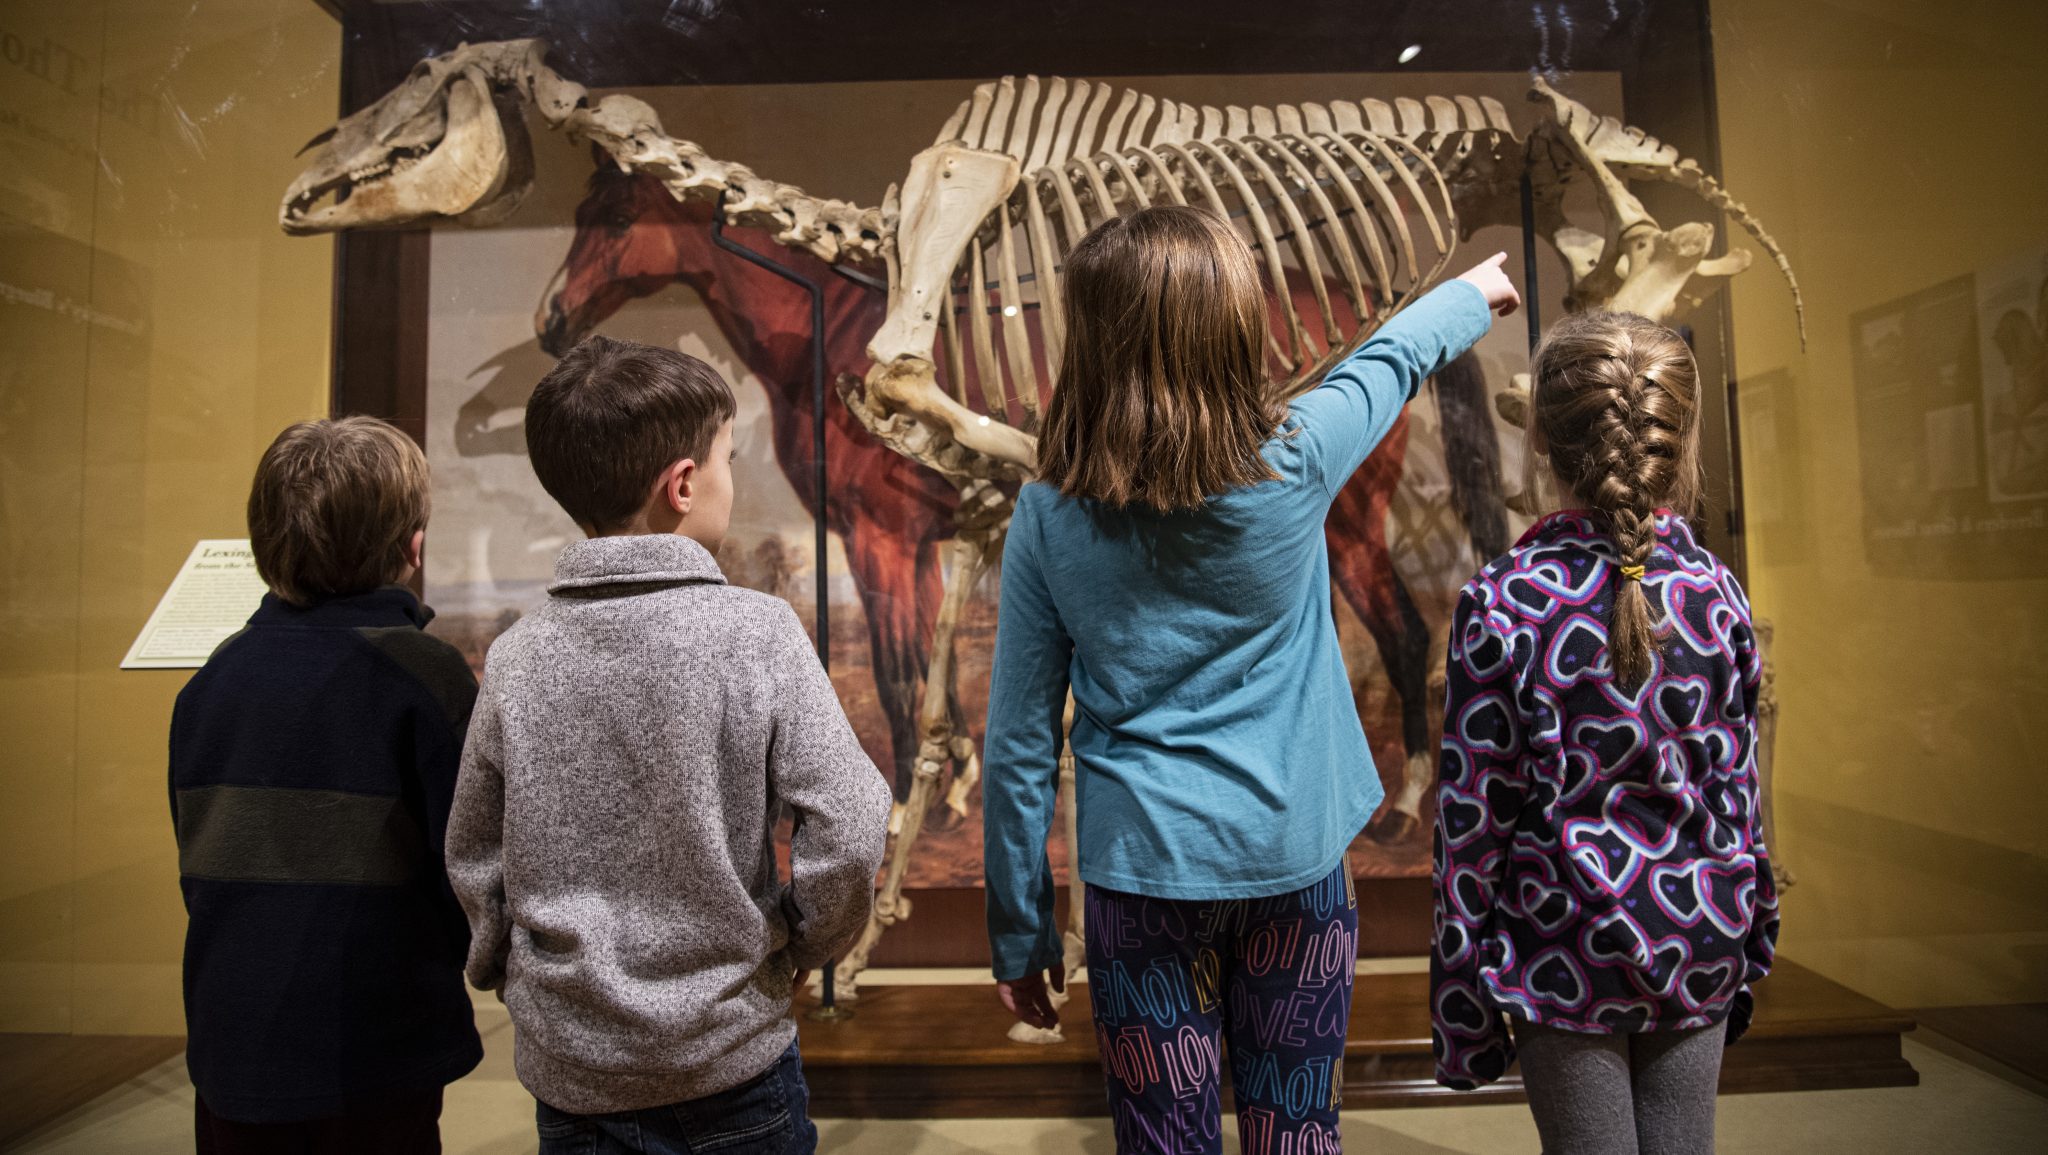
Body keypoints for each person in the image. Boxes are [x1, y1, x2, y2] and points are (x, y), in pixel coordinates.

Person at [982, 204, 1519, 1153]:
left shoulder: (1048, 513)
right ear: (1234, 331)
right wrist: (1474, 293)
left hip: (1141, 882)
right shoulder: (1297, 460)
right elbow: (1387, 360)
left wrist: (1020, 931)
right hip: (1296, 869)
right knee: (1296, 1136)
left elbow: (1021, 741)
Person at [446, 336, 891, 1155]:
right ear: (683, 484)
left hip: (574, 1073)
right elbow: (855, 822)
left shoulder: (517, 653)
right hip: (733, 1061)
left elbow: (473, 851)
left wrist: (511, 973)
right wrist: (802, 943)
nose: (733, 476)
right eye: (728, 457)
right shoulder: (758, 633)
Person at [1429, 311, 1780, 1155]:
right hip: (1698, 931)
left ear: (1540, 436)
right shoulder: (1717, 595)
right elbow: (1739, 796)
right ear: (1675, 436)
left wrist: (1461, 1000)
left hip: (1564, 946)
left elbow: (1472, 822)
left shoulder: (1506, 602)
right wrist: (1752, 931)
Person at [171, 416, 481, 1154]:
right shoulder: (423, 675)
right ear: (412, 546)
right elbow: (465, 867)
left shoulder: (211, 682)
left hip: (232, 1042)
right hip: (371, 1049)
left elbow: (203, 863)